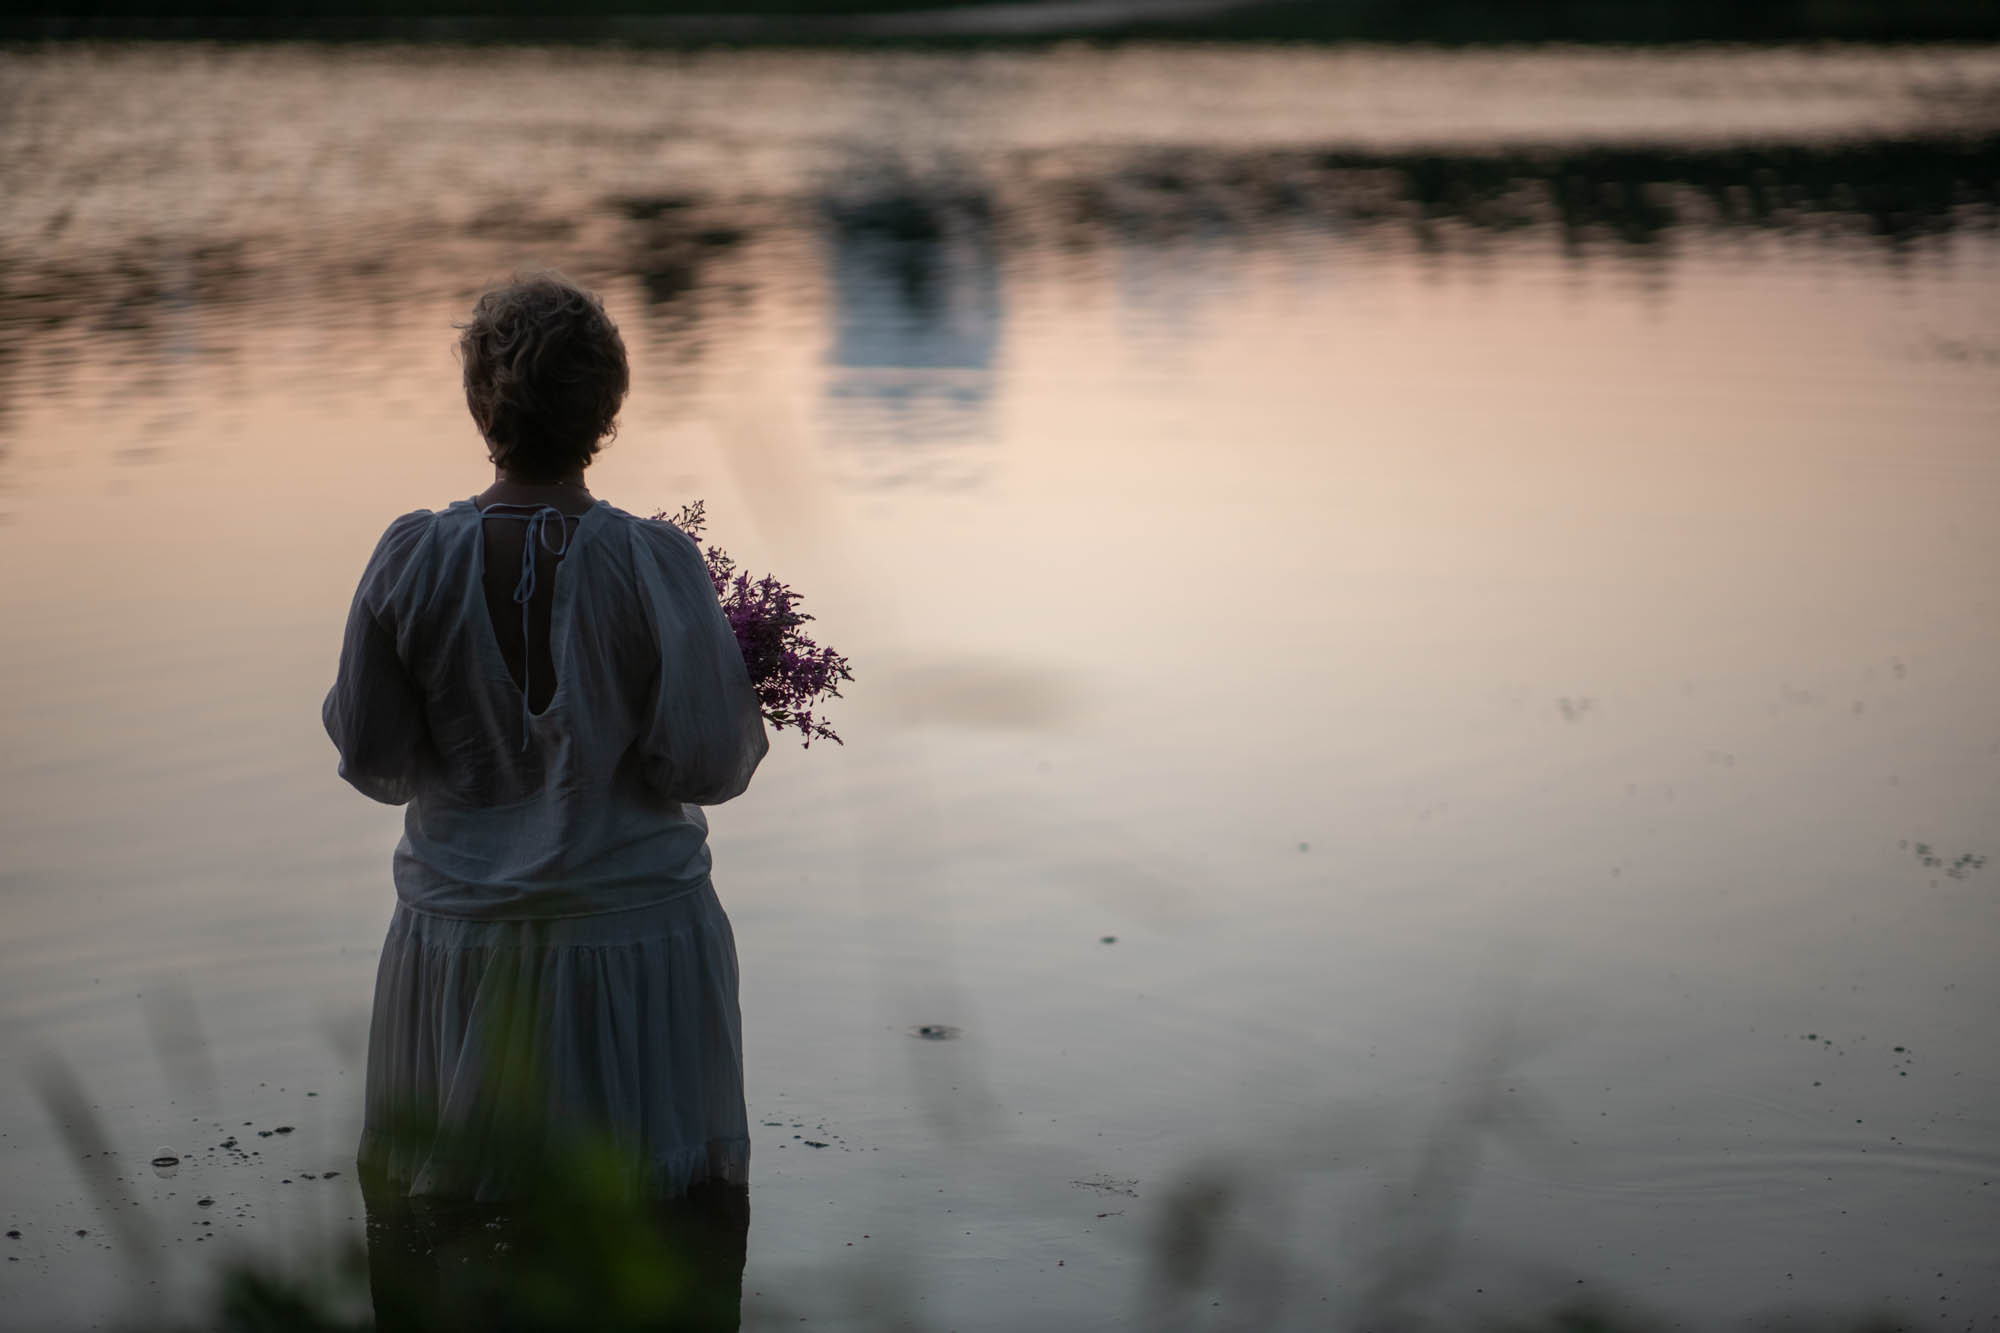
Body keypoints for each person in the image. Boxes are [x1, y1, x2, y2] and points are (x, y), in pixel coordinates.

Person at [323, 273, 769, 1216]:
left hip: (460, 940)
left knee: (450, 1233)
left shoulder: (411, 557)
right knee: (658, 1233)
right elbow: (708, 764)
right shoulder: (653, 561)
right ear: (606, 408)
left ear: (481, 405)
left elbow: (371, 754)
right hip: (634, 938)